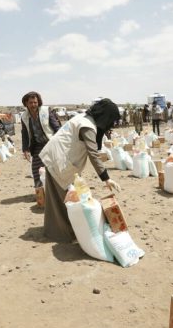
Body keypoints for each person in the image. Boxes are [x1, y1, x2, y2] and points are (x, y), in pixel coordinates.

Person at [39, 99, 121, 242]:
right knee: (66, 199)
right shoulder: (87, 126)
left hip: (57, 157)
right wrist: (106, 178)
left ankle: (54, 231)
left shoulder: (84, 118)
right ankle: (64, 233)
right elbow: (93, 154)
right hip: (59, 161)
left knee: (57, 198)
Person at [20, 92, 61, 188]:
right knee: (36, 170)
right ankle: (40, 192)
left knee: (55, 168)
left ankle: (58, 191)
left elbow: (57, 128)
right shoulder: (24, 117)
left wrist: (61, 143)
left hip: (50, 143)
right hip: (37, 145)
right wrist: (25, 149)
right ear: (26, 103)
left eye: (35, 102)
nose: (33, 105)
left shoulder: (46, 111)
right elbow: (24, 134)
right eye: (31, 103)